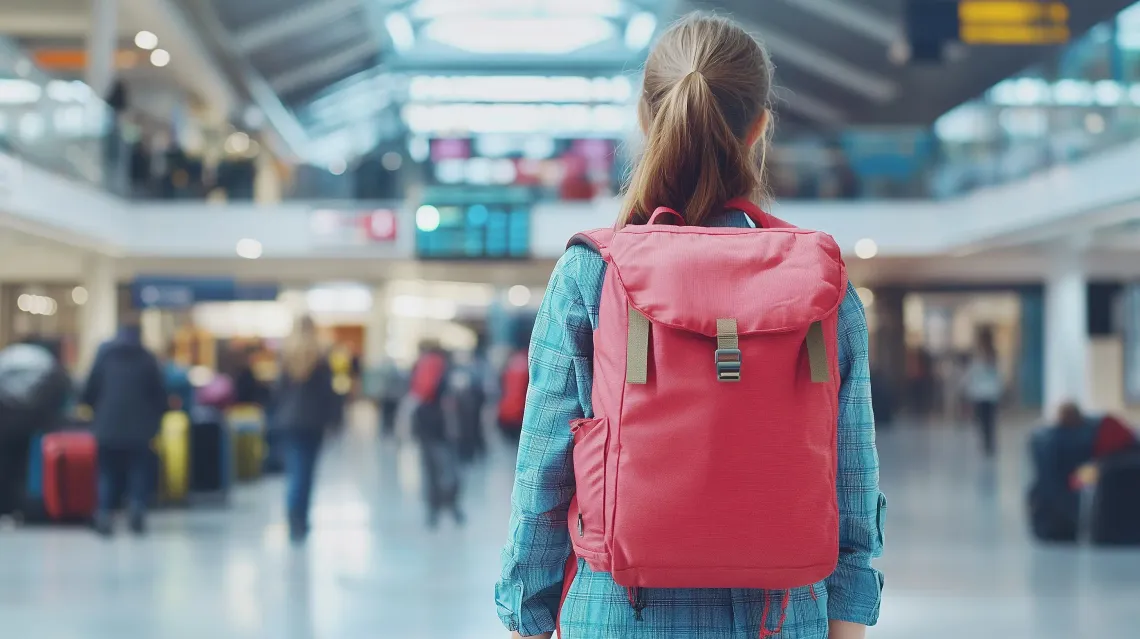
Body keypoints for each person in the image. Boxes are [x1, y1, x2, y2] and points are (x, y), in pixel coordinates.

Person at [495, 14, 883, 639]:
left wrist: (526, 618)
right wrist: (847, 620)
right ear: (760, 126)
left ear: (648, 121)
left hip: (620, 612)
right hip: (781, 616)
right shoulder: (822, 282)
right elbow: (851, 472)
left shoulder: (593, 271)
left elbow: (544, 471)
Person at [83, 323, 167, 536]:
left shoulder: (105, 356)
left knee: (107, 472)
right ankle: (137, 508)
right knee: (138, 470)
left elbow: (90, 388)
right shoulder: (147, 358)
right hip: (140, 427)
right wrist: (157, 418)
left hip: (107, 425)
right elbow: (159, 393)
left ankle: (104, 514)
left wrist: (94, 409)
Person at [270, 317, 338, 543]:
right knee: (306, 471)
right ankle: (301, 519)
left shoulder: (285, 355)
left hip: (288, 421)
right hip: (312, 421)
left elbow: (277, 391)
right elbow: (327, 394)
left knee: (294, 470)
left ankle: (293, 515)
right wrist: (333, 420)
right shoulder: (319, 356)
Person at [408, 342, 464, 528]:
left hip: (425, 425)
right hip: (445, 427)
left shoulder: (419, 366)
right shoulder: (448, 369)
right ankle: (453, 505)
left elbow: (415, 395)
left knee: (430, 470)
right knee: (450, 469)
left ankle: (433, 509)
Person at [963, 329, 1002, 456]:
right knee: (984, 420)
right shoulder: (979, 355)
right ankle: (987, 443)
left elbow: (992, 374)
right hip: (983, 393)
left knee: (988, 420)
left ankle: (989, 444)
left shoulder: (990, 355)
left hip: (987, 392)